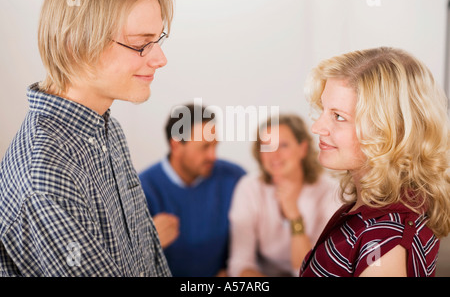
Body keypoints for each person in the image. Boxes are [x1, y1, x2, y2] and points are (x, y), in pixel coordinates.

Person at [0, 0, 173, 276]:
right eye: (140, 43)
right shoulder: (47, 180)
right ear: (75, 44)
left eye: (158, 40)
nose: (160, 58)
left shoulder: (108, 131)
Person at [300, 47, 450, 277]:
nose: (316, 127)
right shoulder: (376, 207)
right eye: (323, 109)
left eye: (339, 116)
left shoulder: (384, 240)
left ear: (389, 131)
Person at [139, 103, 246, 277]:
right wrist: (148, 243)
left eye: (215, 146)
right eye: (204, 147)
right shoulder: (142, 190)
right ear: (176, 146)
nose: (213, 156)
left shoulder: (234, 178)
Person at [227, 114, 341, 277]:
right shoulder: (249, 188)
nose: (274, 155)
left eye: (283, 145)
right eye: (267, 146)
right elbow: (240, 263)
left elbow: (313, 269)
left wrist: (294, 216)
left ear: (302, 148)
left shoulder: (330, 193)